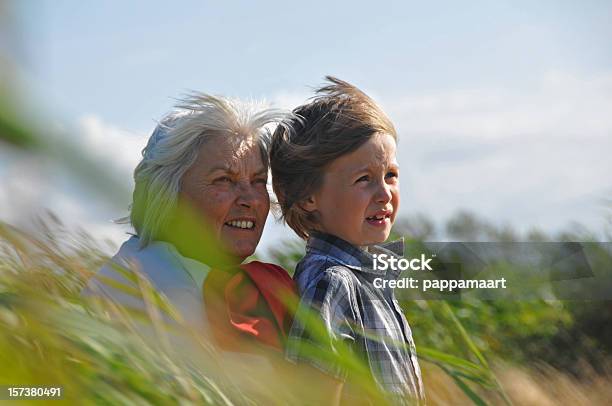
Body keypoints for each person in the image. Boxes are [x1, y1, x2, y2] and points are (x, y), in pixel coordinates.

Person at [84, 93, 296, 359]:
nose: (250, 200)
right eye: (224, 180)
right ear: (166, 194)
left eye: (258, 181)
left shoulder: (227, 284)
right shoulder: (150, 292)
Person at [270, 76, 424, 404]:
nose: (384, 193)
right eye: (364, 179)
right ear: (309, 196)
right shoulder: (332, 282)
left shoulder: (370, 282)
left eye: (391, 176)